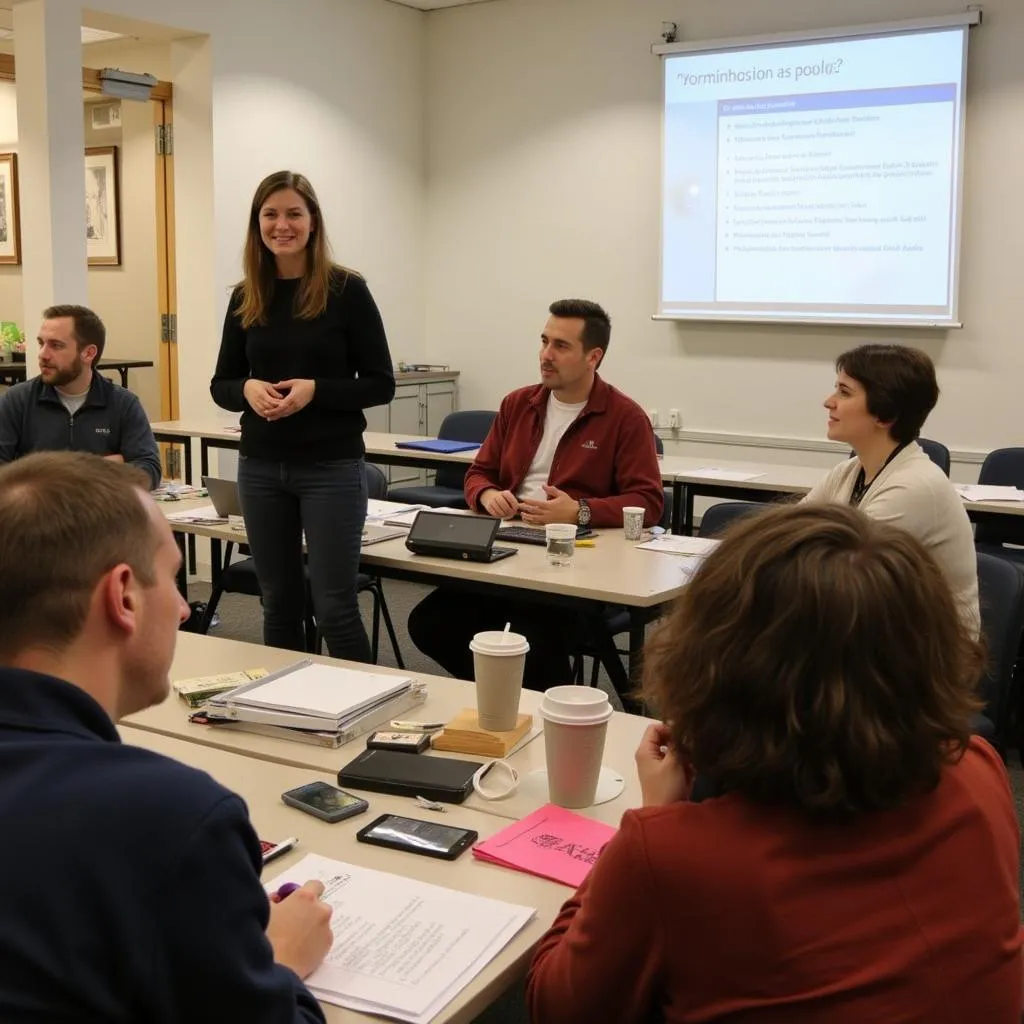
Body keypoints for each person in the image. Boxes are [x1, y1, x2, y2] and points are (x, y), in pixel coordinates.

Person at [528, 503, 1022, 1023]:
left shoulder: (672, 855)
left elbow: (555, 1005)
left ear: (711, 666)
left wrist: (652, 819)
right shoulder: (980, 771)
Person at [0, 452, 332, 1022]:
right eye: (174, 577)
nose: (182, 609)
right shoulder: (170, 818)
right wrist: (278, 961)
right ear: (124, 595)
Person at [407, 298, 663, 688]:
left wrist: (578, 511)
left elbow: (647, 503)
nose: (546, 355)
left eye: (561, 346)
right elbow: (479, 473)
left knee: (534, 640)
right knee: (429, 624)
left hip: (575, 563)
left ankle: (538, 707)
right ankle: (504, 693)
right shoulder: (517, 404)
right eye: (544, 341)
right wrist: (488, 494)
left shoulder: (624, 417)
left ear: (593, 356)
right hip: (507, 548)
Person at [211, 170, 395, 661]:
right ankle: (290, 711)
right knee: (279, 604)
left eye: (294, 213)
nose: (282, 225)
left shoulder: (346, 290)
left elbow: (381, 383)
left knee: (334, 607)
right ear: (257, 224)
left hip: (331, 468)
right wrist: (247, 387)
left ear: (313, 222)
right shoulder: (245, 295)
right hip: (261, 466)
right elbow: (221, 385)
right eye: (270, 214)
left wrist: (316, 391)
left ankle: (364, 710)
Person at [802, 343, 979, 630]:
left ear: (885, 414)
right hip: (872, 632)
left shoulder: (914, 486)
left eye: (844, 392)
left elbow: (843, 576)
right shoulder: (849, 471)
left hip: (929, 656)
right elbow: (789, 538)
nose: (828, 401)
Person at [0, 304, 161, 488]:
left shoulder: (123, 403)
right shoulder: (17, 400)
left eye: (56, 345)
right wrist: (103, 466)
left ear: (88, 353)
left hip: (102, 512)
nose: (43, 354)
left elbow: (149, 470)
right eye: (41, 343)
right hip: (38, 513)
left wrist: (81, 473)